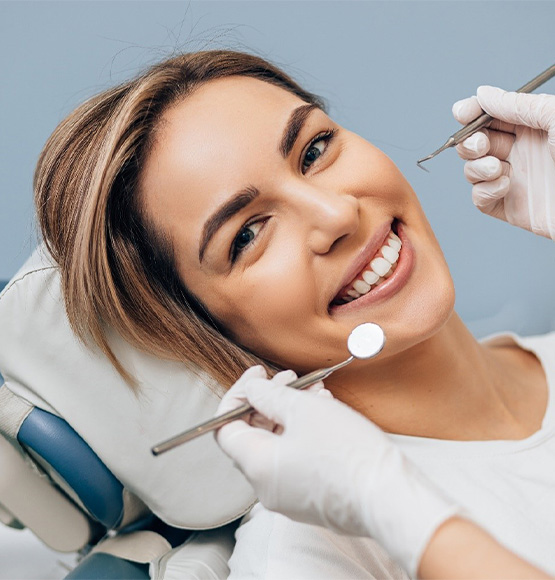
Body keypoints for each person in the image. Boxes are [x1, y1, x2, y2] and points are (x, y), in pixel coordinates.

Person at [33, 49, 554, 578]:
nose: (337, 214)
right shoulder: (308, 554)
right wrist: (390, 503)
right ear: (199, 326)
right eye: (247, 235)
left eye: (314, 151)